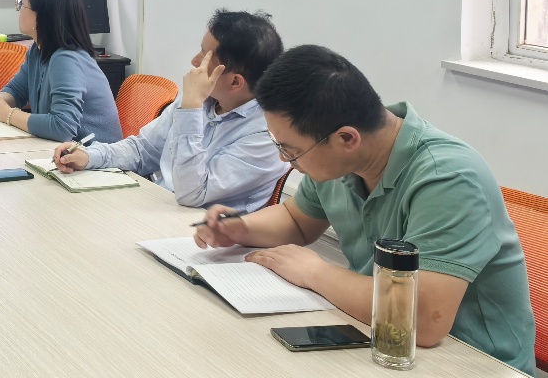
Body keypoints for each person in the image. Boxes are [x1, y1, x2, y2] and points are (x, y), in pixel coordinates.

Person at [194, 45, 535, 375]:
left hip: (471, 362)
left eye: (291, 150)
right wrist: (242, 228)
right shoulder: (342, 161)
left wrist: (314, 272)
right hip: (377, 338)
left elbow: (423, 320)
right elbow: (297, 220)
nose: (285, 160)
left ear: (346, 139)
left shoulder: (448, 178)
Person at [52, 9, 288, 212]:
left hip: (202, 233)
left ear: (235, 82)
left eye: (205, 57)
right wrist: (90, 156)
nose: (194, 61)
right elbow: (143, 150)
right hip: (159, 207)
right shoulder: (203, 99)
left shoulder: (268, 134)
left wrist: (191, 109)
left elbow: (192, 194)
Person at [0, 0, 123, 143]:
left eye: (23, 4)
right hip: (63, 150)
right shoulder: (38, 50)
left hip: (94, 155)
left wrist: (7, 114)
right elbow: (18, 90)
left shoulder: (66, 59)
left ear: (39, 17)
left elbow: (62, 127)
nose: (19, 9)